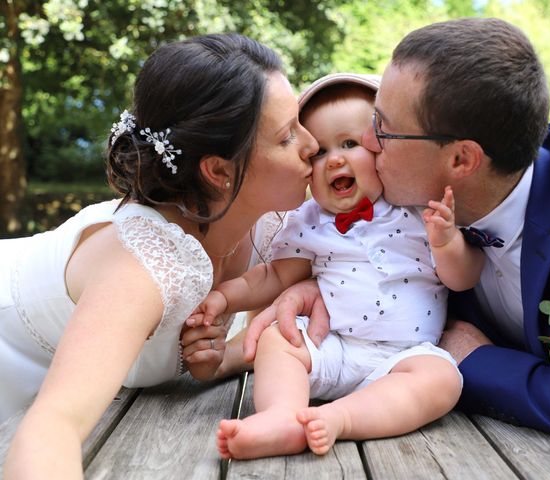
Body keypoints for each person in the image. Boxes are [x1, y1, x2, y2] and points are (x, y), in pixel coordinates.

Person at [243, 18, 550, 455]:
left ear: (461, 159)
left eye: (383, 126)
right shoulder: (413, 205)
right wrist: (317, 285)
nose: (367, 141)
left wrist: (480, 364)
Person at [1, 33, 318, 478]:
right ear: (218, 171)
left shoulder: (275, 228)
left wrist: (230, 354)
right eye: (287, 137)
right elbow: (54, 424)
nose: (313, 144)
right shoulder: (142, 269)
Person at [185, 73, 483, 459]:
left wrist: (447, 243)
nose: (335, 159)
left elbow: (463, 278)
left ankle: (340, 418)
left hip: (403, 356)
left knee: (441, 380)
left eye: (349, 143)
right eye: (319, 152)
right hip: (331, 347)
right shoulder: (307, 219)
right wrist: (225, 297)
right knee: (279, 339)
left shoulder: (417, 210)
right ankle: (283, 416)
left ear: (382, 150)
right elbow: (275, 276)